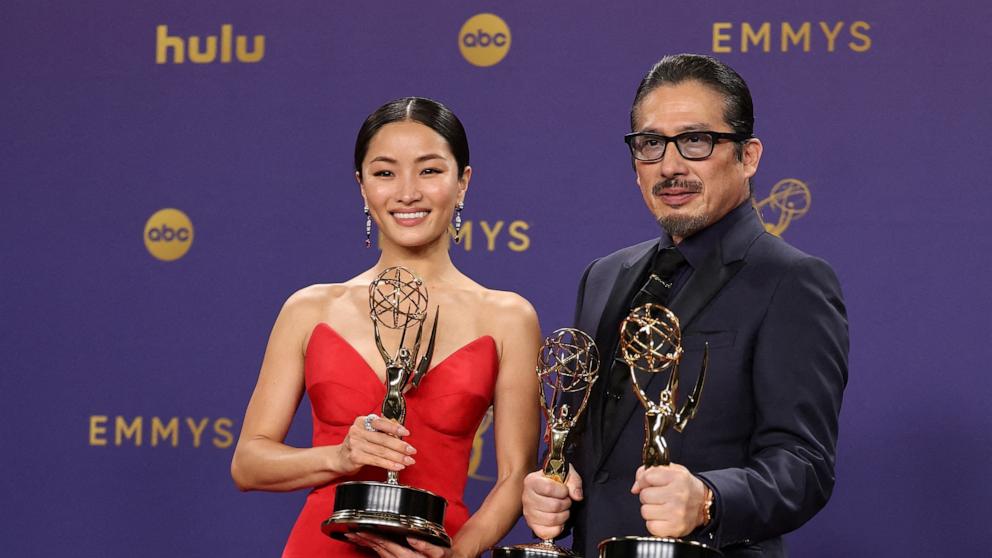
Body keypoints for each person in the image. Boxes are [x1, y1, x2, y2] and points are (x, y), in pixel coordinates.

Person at [521, 54, 849, 557]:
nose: (671, 167)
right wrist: (555, 482)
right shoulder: (604, 276)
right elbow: (591, 441)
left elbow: (803, 465)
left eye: (696, 141)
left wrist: (708, 500)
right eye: (651, 144)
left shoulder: (791, 281)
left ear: (749, 156)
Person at [231, 97, 541, 558]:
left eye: (430, 171)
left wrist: (458, 555)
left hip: (436, 548)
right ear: (362, 187)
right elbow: (249, 463)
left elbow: (516, 477)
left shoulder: (508, 318)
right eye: (384, 173)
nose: (407, 192)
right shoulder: (310, 309)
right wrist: (339, 457)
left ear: (463, 184)